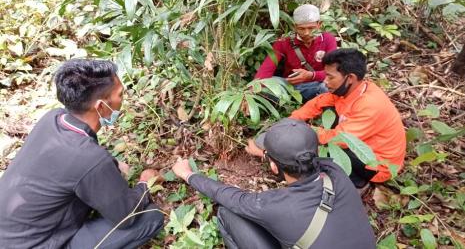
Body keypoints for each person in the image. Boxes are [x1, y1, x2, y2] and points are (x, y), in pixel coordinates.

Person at [0, 59, 164, 248]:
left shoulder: (53, 118)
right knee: (150, 218)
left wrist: (111, 164)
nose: (123, 99)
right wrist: (144, 184)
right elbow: (126, 215)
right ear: (101, 106)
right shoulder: (91, 159)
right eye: (120, 94)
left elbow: (69, 162)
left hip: (9, 233)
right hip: (36, 244)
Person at [172, 118, 376, 249]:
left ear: (274, 167)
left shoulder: (275, 206)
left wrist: (187, 174)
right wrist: (272, 156)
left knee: (227, 213)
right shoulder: (336, 173)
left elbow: (233, 198)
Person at [251, 48, 406, 188]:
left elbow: (339, 139)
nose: (325, 81)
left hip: (377, 164)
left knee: (303, 158)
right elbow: (317, 103)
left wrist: (298, 133)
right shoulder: (350, 90)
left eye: (330, 77)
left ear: (350, 78)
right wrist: (290, 122)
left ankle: (353, 179)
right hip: (361, 143)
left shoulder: (370, 105)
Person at [254, 4, 337, 102]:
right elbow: (266, 70)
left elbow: (334, 72)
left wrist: (311, 75)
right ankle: (288, 104)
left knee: (328, 86)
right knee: (266, 83)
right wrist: (250, 93)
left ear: (319, 24)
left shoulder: (328, 39)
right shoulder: (284, 41)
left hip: (316, 86)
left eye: (311, 28)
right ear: (295, 27)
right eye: (301, 28)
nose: (306, 33)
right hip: (290, 87)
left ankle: (315, 106)